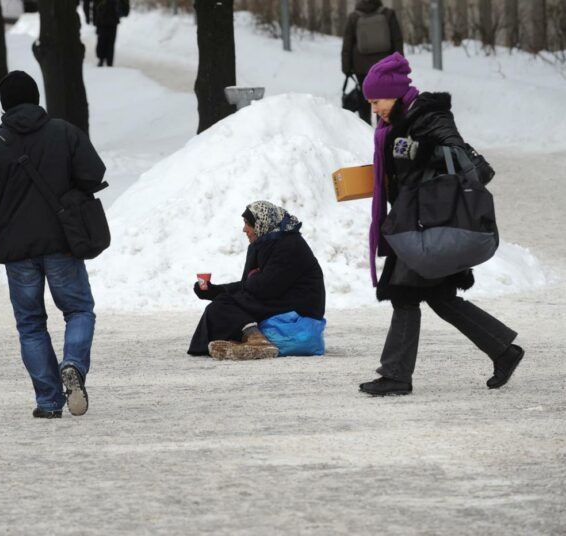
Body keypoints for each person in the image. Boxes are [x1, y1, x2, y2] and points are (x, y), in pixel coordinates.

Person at [358, 52, 525, 396]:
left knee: (405, 295)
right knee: (439, 296)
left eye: (377, 100)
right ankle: (503, 350)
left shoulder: (429, 114)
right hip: (415, 221)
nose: (374, 108)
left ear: (394, 93)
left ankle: (396, 376)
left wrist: (418, 152)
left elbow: (456, 153)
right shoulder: (397, 122)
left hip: (428, 224)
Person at [0, 71, 106, 419]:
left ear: (4, 106)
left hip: (18, 252)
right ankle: (72, 364)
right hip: (62, 245)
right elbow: (93, 174)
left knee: (30, 325)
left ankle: (49, 401)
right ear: (36, 98)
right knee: (79, 310)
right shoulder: (64, 133)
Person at [188, 201, 326, 360]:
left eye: (248, 224)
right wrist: (214, 290)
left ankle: (256, 340)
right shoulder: (265, 243)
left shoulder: (290, 244)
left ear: (262, 223)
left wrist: (252, 278)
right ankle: (251, 340)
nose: (244, 229)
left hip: (299, 309)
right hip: (279, 301)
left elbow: (266, 287)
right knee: (221, 304)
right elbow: (248, 285)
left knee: (223, 305)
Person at [341, 0, 403, 125]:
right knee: (383, 98)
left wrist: (346, 68)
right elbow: (397, 40)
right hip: (384, 66)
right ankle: (382, 129)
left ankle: (365, 128)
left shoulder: (354, 17)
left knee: (364, 99)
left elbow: (347, 44)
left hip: (361, 67)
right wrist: (399, 64)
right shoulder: (388, 14)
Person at [84, 0, 129, 67]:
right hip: (105, 18)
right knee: (105, 41)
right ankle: (105, 60)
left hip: (108, 18)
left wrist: (88, 17)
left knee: (105, 41)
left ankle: (106, 60)